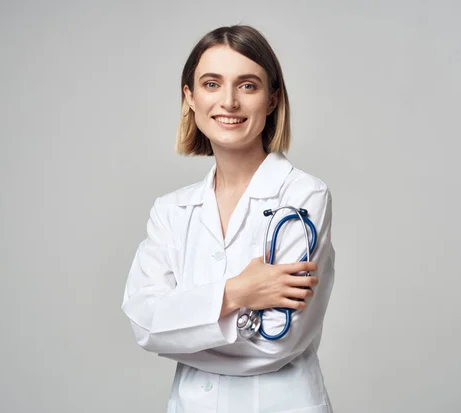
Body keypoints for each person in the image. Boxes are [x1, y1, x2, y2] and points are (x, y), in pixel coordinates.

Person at [121, 25, 335, 413]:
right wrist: (237, 293)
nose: (229, 102)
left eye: (248, 85)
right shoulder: (172, 211)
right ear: (190, 97)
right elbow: (144, 324)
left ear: (272, 100)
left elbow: (276, 343)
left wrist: (182, 329)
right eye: (212, 84)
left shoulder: (303, 196)